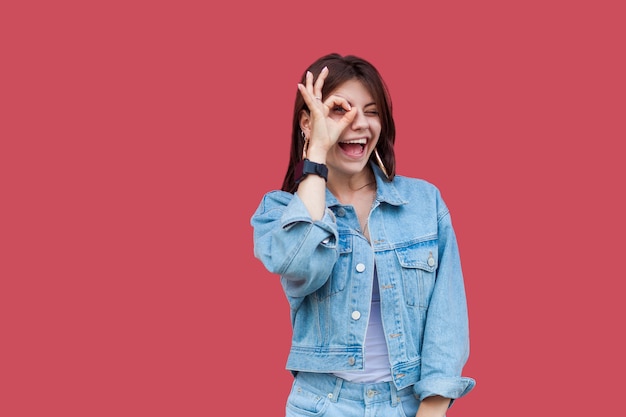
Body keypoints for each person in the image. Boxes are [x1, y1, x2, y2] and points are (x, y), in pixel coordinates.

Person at [251, 53, 475, 417]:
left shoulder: (423, 202)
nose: (359, 124)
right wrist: (317, 155)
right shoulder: (279, 210)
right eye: (340, 111)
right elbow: (299, 263)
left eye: (371, 112)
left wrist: (432, 407)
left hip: (407, 404)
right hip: (320, 406)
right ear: (308, 123)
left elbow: (447, 316)